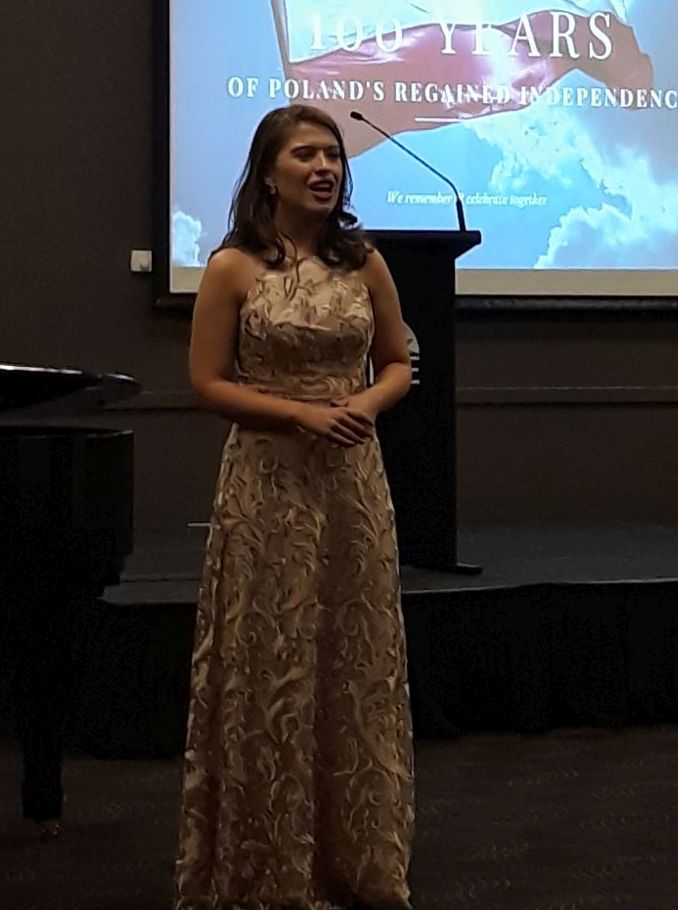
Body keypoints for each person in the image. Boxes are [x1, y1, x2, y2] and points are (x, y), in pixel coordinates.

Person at [174, 104, 414, 910]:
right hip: (268, 481)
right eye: (306, 155)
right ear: (269, 174)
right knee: (269, 661)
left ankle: (357, 864)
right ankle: (267, 869)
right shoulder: (233, 267)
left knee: (352, 661)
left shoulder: (364, 262)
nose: (324, 168)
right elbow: (207, 383)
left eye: (333, 156)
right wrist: (300, 413)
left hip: (351, 483)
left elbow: (396, 362)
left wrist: (366, 404)